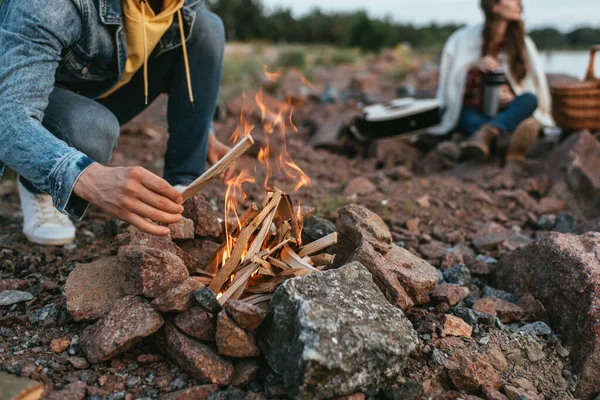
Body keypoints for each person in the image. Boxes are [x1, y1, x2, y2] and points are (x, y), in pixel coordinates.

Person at [0, 0, 233, 245]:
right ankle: (38, 188)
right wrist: (83, 176)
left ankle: (182, 199)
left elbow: (188, 63)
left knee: (206, 27)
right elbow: (9, 116)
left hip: (95, 84)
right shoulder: (51, 5)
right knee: (92, 130)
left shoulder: (180, 5)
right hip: (20, 90)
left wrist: (199, 128)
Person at [429, 0, 555, 161]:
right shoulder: (464, 39)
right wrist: (473, 67)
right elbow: (452, 85)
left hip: (506, 109)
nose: (519, 4)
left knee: (530, 99)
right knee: (464, 116)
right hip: (475, 110)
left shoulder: (523, 43)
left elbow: (528, 83)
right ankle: (504, 138)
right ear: (495, 6)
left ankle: (486, 135)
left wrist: (511, 95)